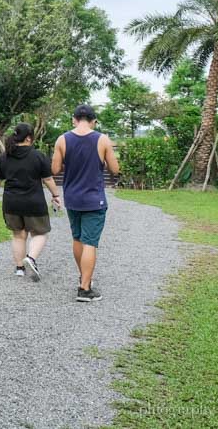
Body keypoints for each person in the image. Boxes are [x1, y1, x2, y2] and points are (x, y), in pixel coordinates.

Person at [52, 104, 121, 302]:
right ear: (94, 121)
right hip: (94, 198)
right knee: (90, 242)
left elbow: (55, 169)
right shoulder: (102, 139)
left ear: (74, 119)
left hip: (72, 197)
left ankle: (84, 278)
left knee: (77, 238)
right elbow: (115, 170)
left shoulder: (62, 140)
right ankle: (84, 289)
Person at [0, 122, 61, 282]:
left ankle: (20, 268)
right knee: (40, 233)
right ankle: (31, 258)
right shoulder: (38, 156)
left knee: (18, 235)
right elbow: (47, 179)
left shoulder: (5, 156)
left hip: (11, 203)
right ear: (29, 138)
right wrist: (56, 195)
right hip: (33, 202)